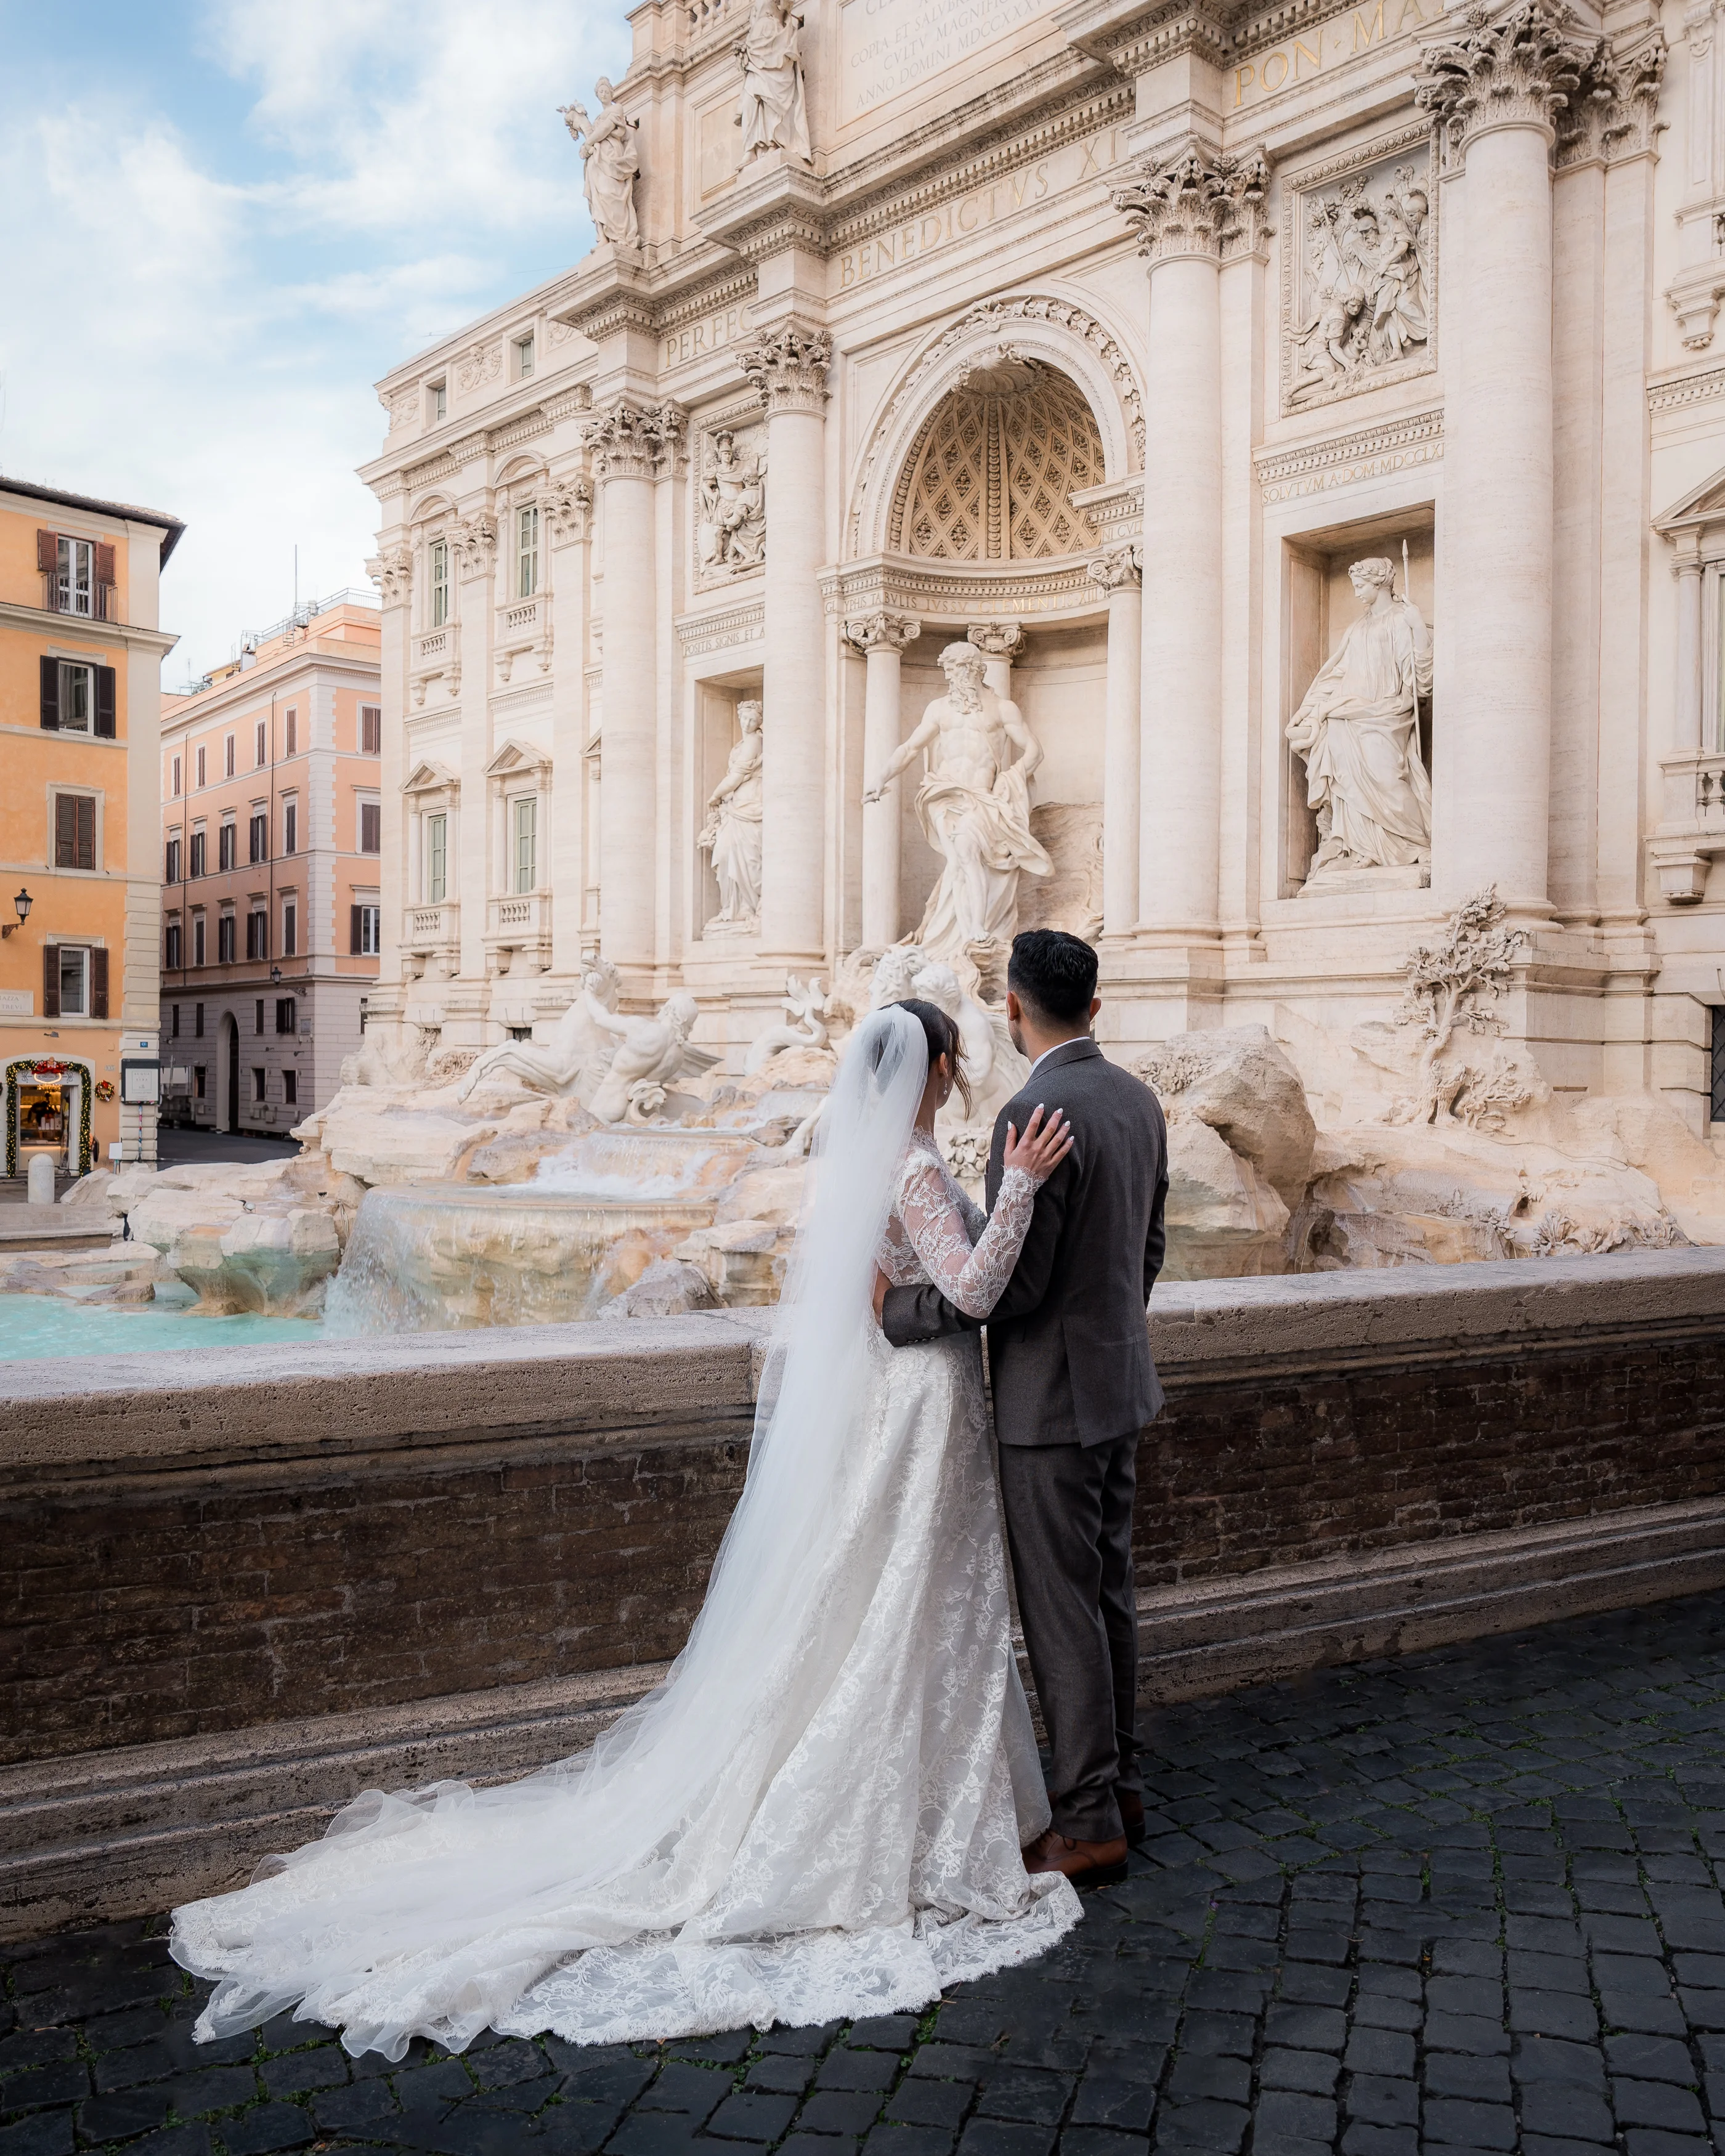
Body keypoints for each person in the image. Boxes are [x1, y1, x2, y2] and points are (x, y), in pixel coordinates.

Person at [171, 1002, 1079, 2058]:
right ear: (935, 1069)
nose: (957, 1074)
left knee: (897, 1594)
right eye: (951, 1060)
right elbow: (970, 1288)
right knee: (916, 1596)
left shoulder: (870, 1161)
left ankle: (924, 1796)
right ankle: (922, 1811)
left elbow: (894, 1286)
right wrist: (1021, 1186)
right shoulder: (913, 1167)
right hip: (921, 1403)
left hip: (904, 1397)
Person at [876, 929, 1171, 1889]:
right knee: (1109, 1595)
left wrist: (899, 1312)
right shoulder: (1139, 1100)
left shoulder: (1031, 1113)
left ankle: (1089, 1822)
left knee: (1061, 1614)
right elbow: (1149, 1249)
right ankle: (1121, 1786)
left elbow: (1009, 1289)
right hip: (1121, 1385)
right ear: (1095, 1006)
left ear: (1011, 1006)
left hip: (1049, 1406)